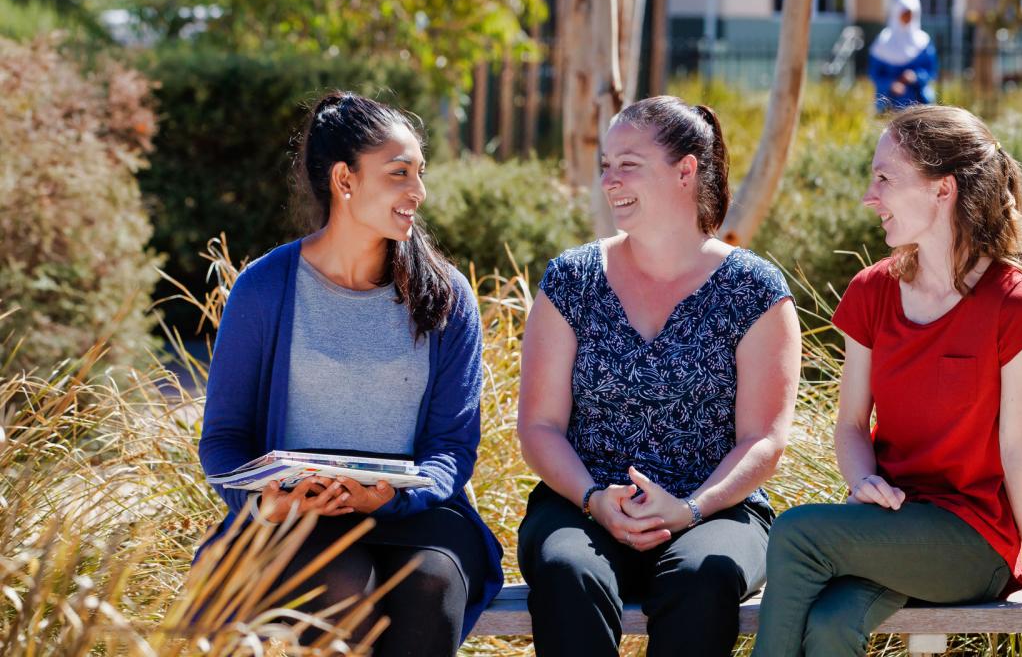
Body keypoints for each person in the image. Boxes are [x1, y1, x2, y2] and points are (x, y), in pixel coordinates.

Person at [752, 105, 1022, 656]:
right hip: (891, 527)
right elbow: (850, 426)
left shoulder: (1015, 305)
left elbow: (1017, 449)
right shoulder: (872, 292)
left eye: (885, 177)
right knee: (833, 623)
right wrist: (863, 481)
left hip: (972, 540)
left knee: (796, 533)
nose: (871, 195)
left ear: (943, 190)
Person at [197, 92, 503, 656]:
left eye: (420, 173)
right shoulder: (266, 288)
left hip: (419, 514)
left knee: (430, 586)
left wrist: (389, 496)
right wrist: (268, 504)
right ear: (344, 179)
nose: (419, 192)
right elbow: (223, 440)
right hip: (300, 518)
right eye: (399, 173)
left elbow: (452, 448)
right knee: (348, 592)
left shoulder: (446, 296)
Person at [516, 95, 802, 657]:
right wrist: (596, 499)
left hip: (716, 510)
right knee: (567, 569)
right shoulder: (571, 280)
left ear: (685, 171)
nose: (610, 180)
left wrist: (690, 508)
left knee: (702, 576)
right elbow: (540, 426)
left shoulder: (755, 290)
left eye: (628, 165)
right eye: (605, 165)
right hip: (582, 503)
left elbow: (763, 440)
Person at [868, 0, 938, 112]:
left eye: (910, 14)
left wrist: (916, 77)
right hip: (890, 102)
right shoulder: (883, 42)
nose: (907, 18)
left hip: (918, 102)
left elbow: (931, 71)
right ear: (896, 13)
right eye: (904, 14)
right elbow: (874, 73)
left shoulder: (923, 41)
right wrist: (891, 85)